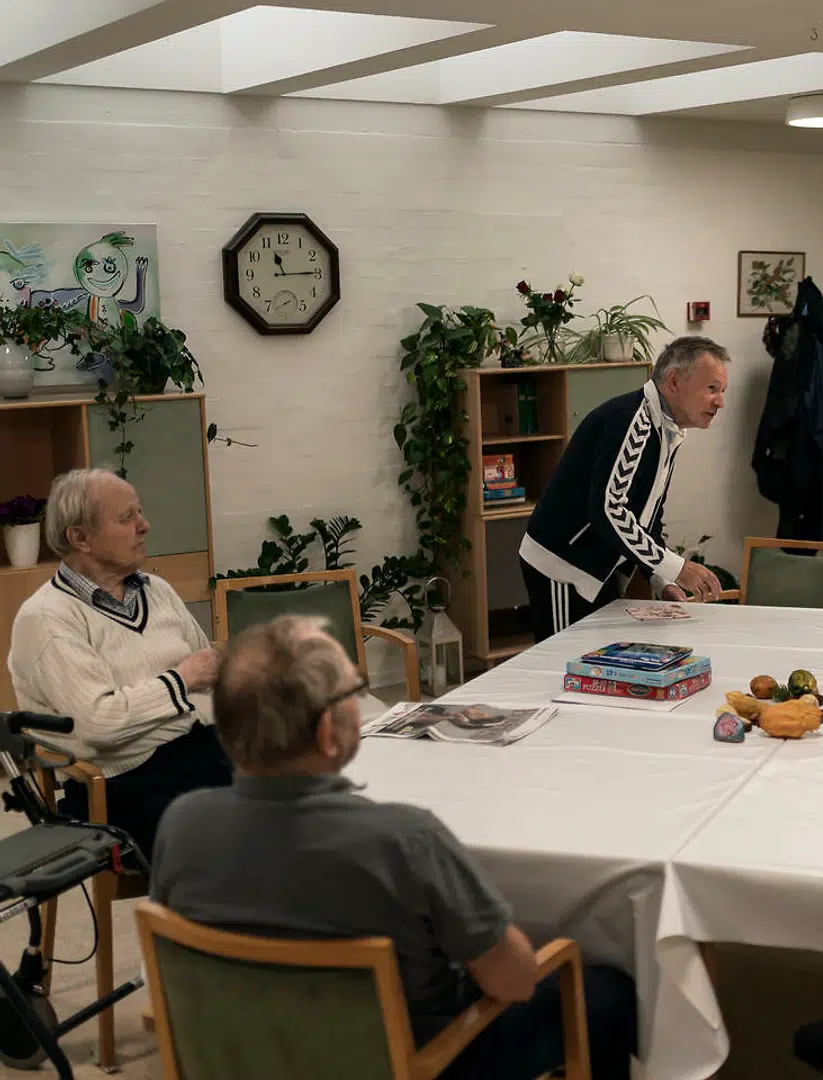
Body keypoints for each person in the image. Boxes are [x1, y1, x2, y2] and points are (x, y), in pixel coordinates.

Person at [150, 615, 637, 1080]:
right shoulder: (404, 839)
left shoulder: (181, 823)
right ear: (327, 732)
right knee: (606, 992)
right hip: (418, 1063)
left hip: (245, 1056)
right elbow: (513, 982)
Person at [7, 468, 230, 858]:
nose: (145, 525)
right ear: (80, 537)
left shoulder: (156, 590)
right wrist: (180, 681)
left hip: (199, 749)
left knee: (311, 797)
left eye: (139, 513)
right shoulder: (46, 618)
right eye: (126, 518)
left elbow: (207, 669)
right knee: (241, 834)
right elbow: (96, 724)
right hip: (118, 783)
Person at [519, 336, 728, 641]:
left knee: (595, 668)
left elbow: (646, 515)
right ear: (673, 381)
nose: (720, 401)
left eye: (722, 391)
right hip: (564, 566)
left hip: (599, 567)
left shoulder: (666, 427)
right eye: (712, 388)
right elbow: (609, 509)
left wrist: (659, 577)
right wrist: (674, 565)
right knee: (562, 668)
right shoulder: (634, 422)